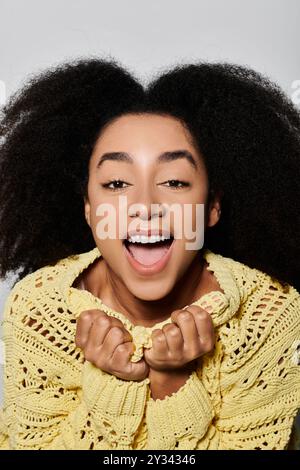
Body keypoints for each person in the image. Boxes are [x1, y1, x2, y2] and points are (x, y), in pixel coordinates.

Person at [0, 58, 299, 450]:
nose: (144, 205)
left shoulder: (268, 313)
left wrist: (172, 384)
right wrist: (113, 386)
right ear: (88, 209)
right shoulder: (38, 309)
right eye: (117, 183)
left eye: (174, 181)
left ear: (211, 206)